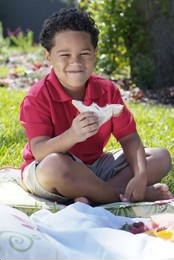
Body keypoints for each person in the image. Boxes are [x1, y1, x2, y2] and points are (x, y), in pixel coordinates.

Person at [20, 8, 172, 205]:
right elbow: (40, 151)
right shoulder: (37, 96)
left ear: (95, 53)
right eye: (65, 54)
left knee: (161, 157)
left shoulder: (107, 91)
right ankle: (122, 196)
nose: (75, 62)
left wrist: (141, 175)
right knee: (55, 166)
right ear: (48, 56)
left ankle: (95, 197)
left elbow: (129, 138)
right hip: (49, 168)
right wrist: (72, 135)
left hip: (96, 167)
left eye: (84, 53)